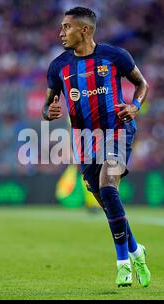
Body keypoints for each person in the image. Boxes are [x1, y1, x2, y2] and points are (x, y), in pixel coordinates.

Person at [42, 7, 150, 287]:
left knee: (107, 185)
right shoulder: (58, 66)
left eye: (67, 27)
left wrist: (134, 106)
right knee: (106, 201)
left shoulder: (115, 56)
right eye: (62, 27)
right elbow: (48, 104)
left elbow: (141, 84)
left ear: (85, 30)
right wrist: (48, 112)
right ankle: (137, 250)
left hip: (117, 131)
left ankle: (122, 263)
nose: (61, 32)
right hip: (86, 140)